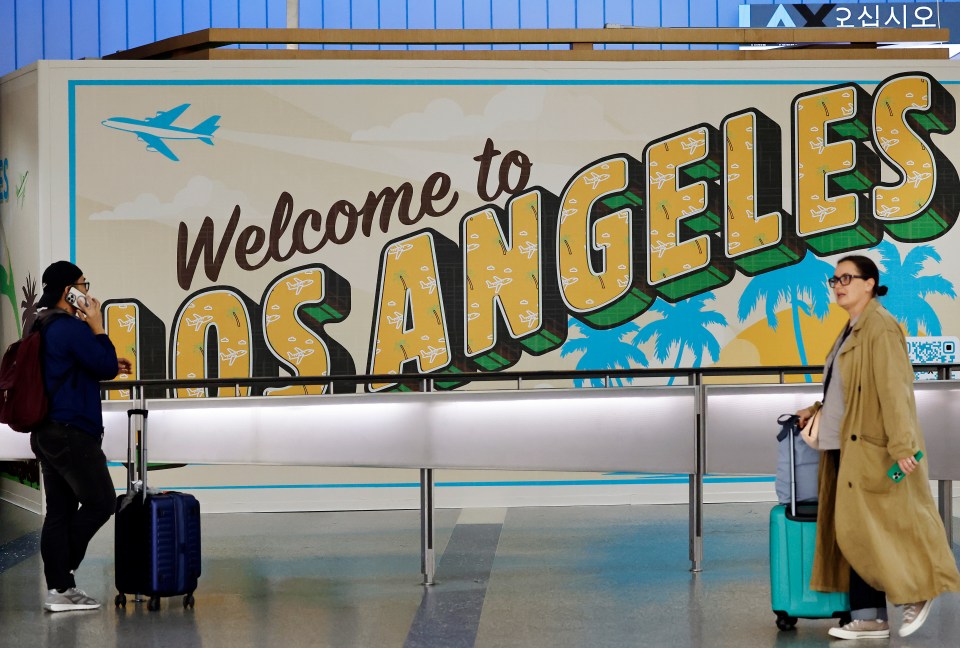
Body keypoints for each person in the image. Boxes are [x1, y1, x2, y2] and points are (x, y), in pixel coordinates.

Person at [796, 254, 960, 640]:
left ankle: (920, 592)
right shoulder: (852, 328)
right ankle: (869, 616)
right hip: (844, 448)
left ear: (870, 283)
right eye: (834, 279)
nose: (838, 285)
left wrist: (904, 446)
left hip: (873, 450)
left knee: (890, 527)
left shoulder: (880, 328)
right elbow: (850, 391)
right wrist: (816, 410)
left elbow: (895, 390)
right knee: (856, 533)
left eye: (847, 278)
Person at [29, 261, 132, 612]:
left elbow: (84, 365)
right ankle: (61, 577)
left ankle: (60, 589)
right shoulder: (72, 327)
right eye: (82, 285)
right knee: (102, 502)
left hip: (47, 432)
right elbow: (102, 366)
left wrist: (103, 359)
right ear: (68, 291)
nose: (87, 291)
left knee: (59, 511)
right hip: (72, 432)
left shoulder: (41, 325)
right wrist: (97, 323)